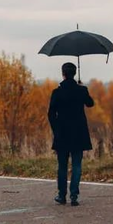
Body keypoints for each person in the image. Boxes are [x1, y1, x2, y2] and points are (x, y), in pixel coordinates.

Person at [47, 62, 94, 206]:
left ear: (63, 73)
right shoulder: (82, 90)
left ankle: (62, 196)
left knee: (62, 166)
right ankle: (74, 196)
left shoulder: (57, 92)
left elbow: (50, 114)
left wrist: (56, 130)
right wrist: (81, 87)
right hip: (79, 134)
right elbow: (90, 103)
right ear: (74, 74)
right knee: (77, 165)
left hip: (62, 134)